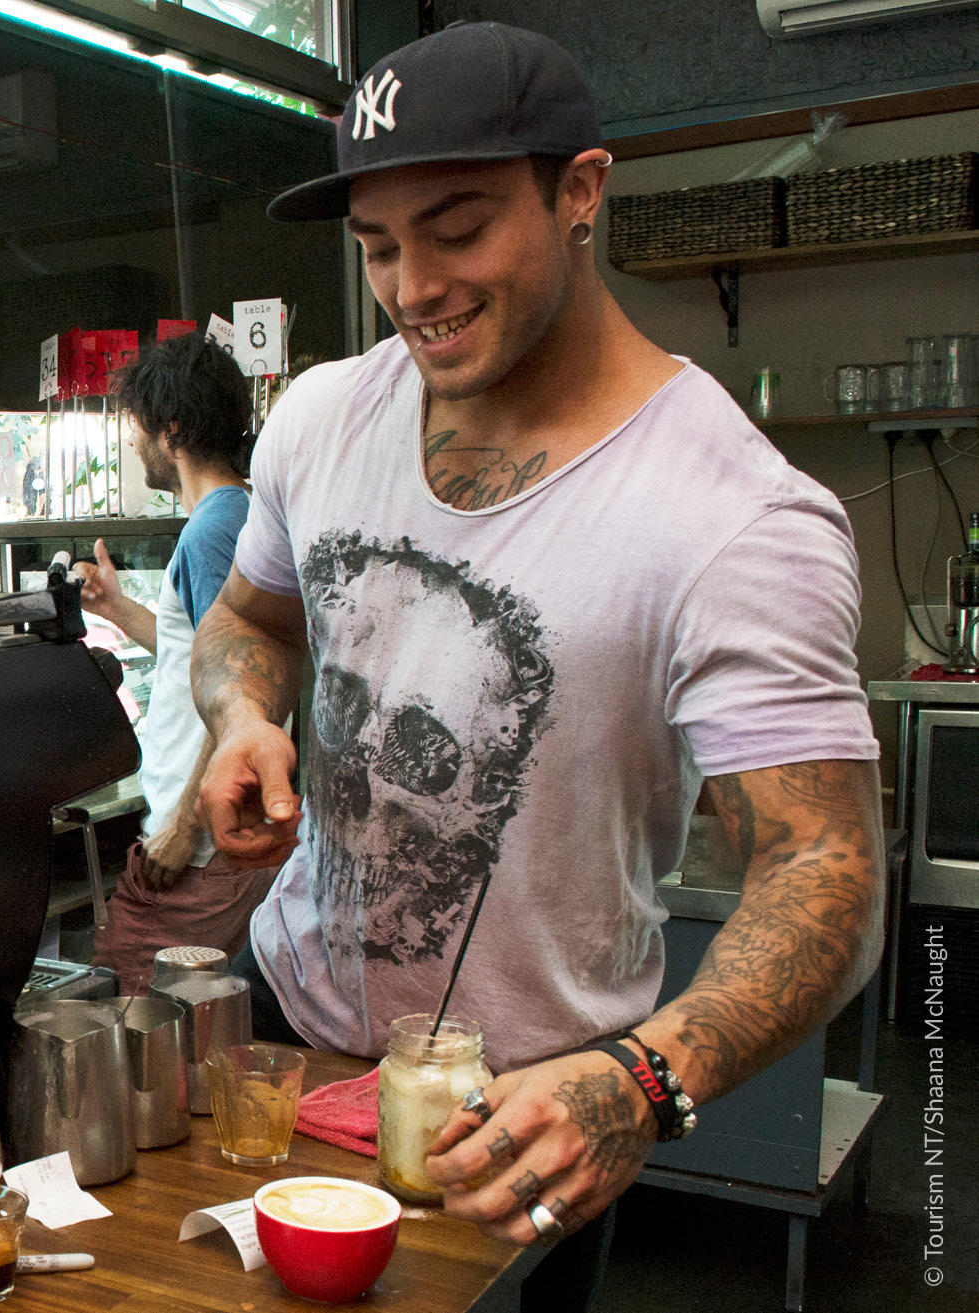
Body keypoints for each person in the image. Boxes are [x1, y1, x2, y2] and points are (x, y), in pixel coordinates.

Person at [191, 23, 883, 1308]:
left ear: (580, 192)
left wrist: (645, 1078)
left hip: (531, 1100)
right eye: (378, 245)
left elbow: (825, 867)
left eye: (456, 230)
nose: (412, 287)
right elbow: (252, 619)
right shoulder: (321, 417)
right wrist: (240, 713)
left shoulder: (732, 515)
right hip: (278, 1040)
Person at [75, 334, 280, 984]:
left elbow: (245, 692)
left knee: (129, 1019)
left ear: (171, 429)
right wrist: (119, 608)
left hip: (198, 850)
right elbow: (211, 660)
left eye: (138, 425)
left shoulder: (211, 529)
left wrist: (184, 827)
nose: (133, 443)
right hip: (216, 846)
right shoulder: (242, 514)